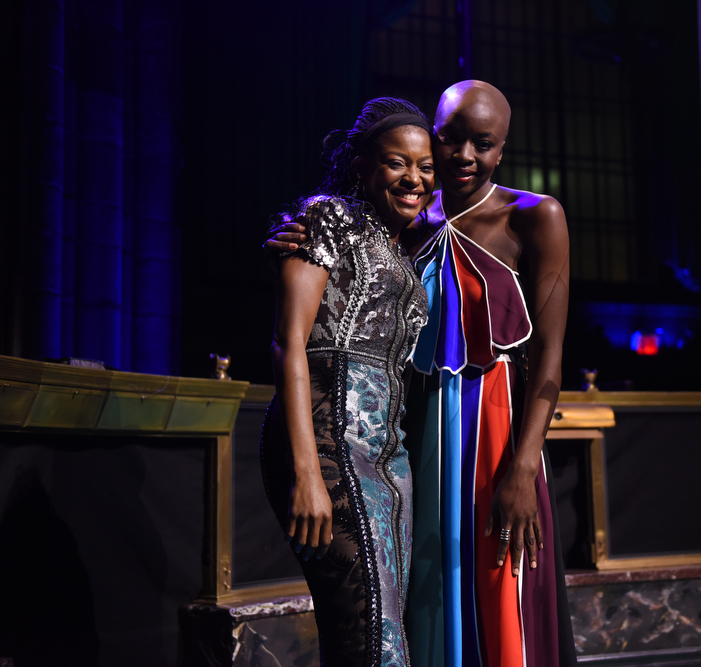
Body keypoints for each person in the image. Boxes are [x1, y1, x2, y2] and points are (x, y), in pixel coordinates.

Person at [267, 81, 576, 667]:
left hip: (495, 437)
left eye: (482, 144)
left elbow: (550, 361)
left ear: (502, 149)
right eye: (451, 138)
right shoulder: (407, 216)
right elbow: (330, 278)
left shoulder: (536, 216)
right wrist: (297, 237)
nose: (463, 155)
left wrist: (525, 468)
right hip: (409, 438)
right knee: (416, 598)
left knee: (496, 588)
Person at [260, 97, 434, 667]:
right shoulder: (330, 218)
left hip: (389, 462)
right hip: (328, 446)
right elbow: (291, 344)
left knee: (380, 631)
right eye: (397, 162)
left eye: (425, 166)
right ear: (361, 165)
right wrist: (308, 475)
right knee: (368, 636)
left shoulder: (399, 247)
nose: (415, 177)